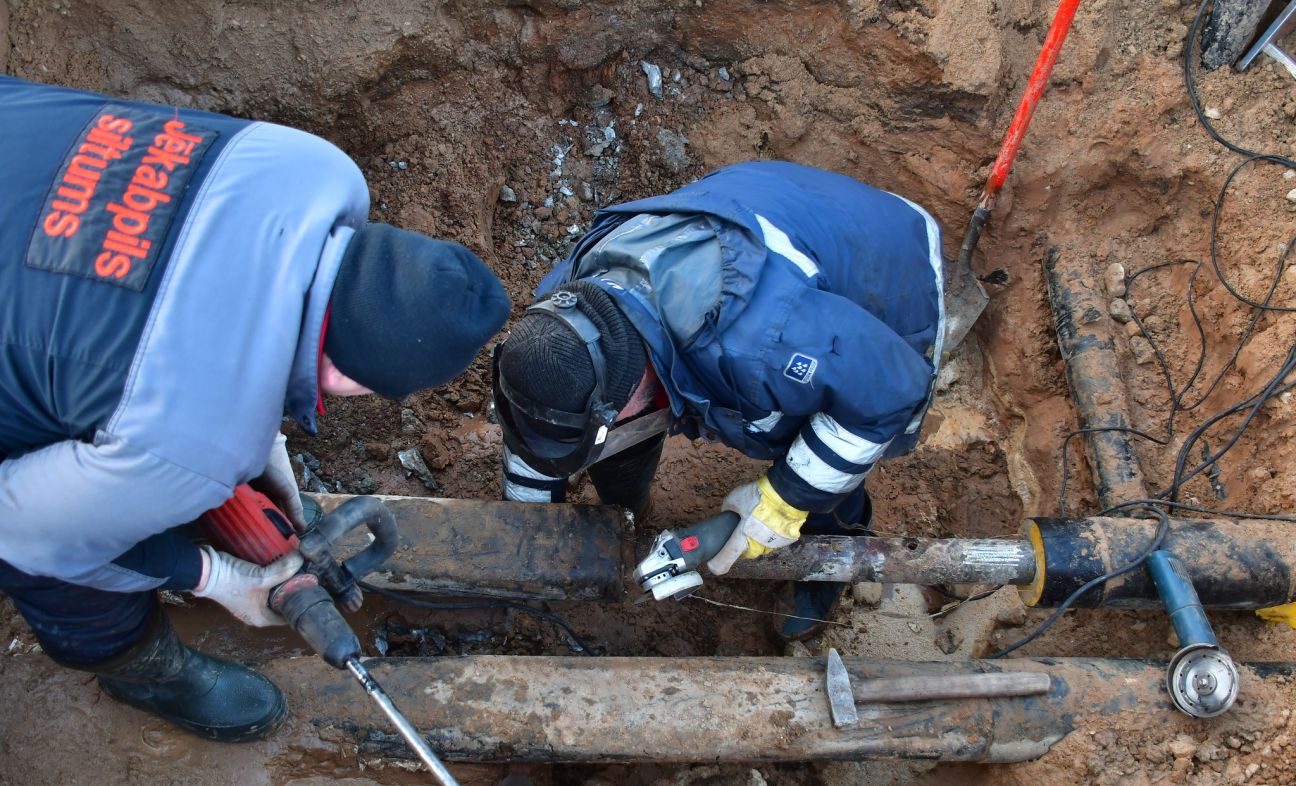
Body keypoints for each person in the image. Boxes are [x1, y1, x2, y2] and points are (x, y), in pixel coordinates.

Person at [0, 76, 510, 742]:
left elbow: (221, 290)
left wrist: (246, 444)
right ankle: (141, 670)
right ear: (354, 377)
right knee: (64, 563)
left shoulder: (313, 167)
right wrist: (216, 579)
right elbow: (19, 528)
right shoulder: (192, 437)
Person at [492, 161, 945, 641]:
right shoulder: (563, 318)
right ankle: (624, 507)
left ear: (635, 393)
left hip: (883, 260)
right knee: (617, 429)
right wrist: (532, 532)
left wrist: (783, 501)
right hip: (762, 212)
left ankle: (825, 554)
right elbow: (541, 427)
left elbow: (886, 393)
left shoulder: (766, 347)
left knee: (801, 434)